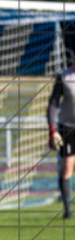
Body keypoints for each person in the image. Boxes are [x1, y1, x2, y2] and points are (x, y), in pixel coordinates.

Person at [47, 49, 75, 220]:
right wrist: (52, 129)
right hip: (68, 127)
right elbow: (53, 103)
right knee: (67, 167)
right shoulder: (64, 77)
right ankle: (67, 210)